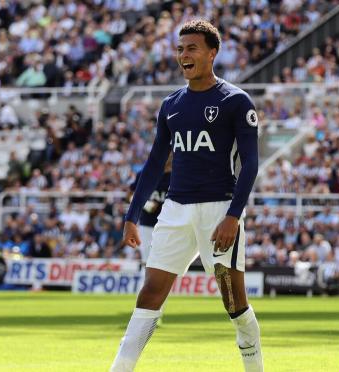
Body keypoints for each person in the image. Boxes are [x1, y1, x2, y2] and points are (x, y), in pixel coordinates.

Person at [110, 20, 263, 372]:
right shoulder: (171, 105)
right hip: (175, 210)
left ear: (212, 53)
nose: (183, 55)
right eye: (180, 49)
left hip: (218, 210)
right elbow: (153, 164)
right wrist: (132, 214)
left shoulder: (236, 101)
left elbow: (250, 165)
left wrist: (233, 216)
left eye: (191, 48)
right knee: (149, 294)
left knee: (234, 303)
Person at [128, 153, 172, 265]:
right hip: (147, 223)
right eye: (168, 153)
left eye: (171, 153)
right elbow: (129, 194)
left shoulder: (177, 176)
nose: (169, 156)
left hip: (168, 223)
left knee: (168, 260)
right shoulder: (145, 173)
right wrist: (146, 204)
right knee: (147, 259)